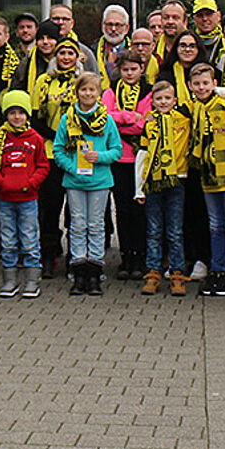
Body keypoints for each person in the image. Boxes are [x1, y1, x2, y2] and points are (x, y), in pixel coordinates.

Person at [54, 71, 121, 296]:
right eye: (84, 90)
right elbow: (58, 150)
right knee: (77, 224)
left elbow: (117, 150)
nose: (88, 93)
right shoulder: (68, 118)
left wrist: (99, 157)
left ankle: (95, 270)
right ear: (77, 92)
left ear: (99, 93)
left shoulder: (107, 120)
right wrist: (72, 167)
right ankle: (78, 268)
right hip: (74, 181)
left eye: (92, 90)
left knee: (96, 225)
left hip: (100, 181)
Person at [31, 35, 84, 277]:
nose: (65, 58)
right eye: (61, 53)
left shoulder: (82, 81)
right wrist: (56, 135)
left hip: (77, 154)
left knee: (75, 209)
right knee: (50, 207)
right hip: (51, 150)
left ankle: (76, 256)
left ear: (77, 57)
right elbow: (35, 117)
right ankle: (49, 254)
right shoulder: (44, 81)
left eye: (70, 54)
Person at [0, 90, 47, 298]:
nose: (17, 117)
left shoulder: (36, 139)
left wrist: (31, 183)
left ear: (27, 115)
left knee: (29, 239)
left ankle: (32, 281)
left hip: (28, 199)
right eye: (12, 112)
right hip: (5, 199)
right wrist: (1, 182)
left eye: (21, 112)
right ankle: (9, 280)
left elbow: (43, 166)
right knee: (8, 240)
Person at [188, 63, 225, 296]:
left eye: (206, 83)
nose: (201, 88)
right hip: (208, 176)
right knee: (214, 224)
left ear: (214, 84)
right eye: (197, 84)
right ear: (190, 86)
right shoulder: (197, 107)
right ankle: (217, 267)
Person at [136, 79, 192, 297]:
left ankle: (177, 274)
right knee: (154, 229)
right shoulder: (149, 124)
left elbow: (203, 92)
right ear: (153, 102)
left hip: (177, 179)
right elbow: (142, 155)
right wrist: (139, 189)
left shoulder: (184, 118)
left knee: (175, 230)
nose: (163, 102)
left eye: (168, 98)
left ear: (175, 100)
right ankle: (153, 273)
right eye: (159, 99)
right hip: (152, 181)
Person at [104, 51, 150, 280]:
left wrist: (121, 121)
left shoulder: (149, 92)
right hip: (118, 158)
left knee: (139, 209)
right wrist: (130, 117)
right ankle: (126, 256)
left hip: (141, 159)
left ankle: (140, 257)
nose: (130, 73)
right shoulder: (111, 92)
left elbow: (147, 124)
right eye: (125, 69)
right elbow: (104, 119)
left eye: (134, 69)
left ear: (142, 69)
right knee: (121, 209)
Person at [96, 5, 132, 72]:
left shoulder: (134, 50)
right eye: (109, 24)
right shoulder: (93, 51)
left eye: (118, 25)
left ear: (127, 28)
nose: (113, 29)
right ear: (103, 26)